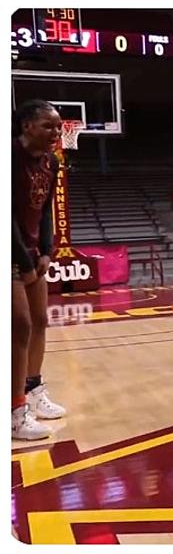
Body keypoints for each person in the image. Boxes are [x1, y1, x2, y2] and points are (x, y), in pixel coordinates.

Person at [12, 99, 68, 440]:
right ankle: (14, 411)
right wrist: (22, 260)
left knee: (40, 321)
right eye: (48, 126)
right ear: (27, 126)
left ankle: (33, 390)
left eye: (59, 127)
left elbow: (45, 209)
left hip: (31, 251)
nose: (56, 133)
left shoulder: (51, 162)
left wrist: (46, 250)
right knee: (19, 325)